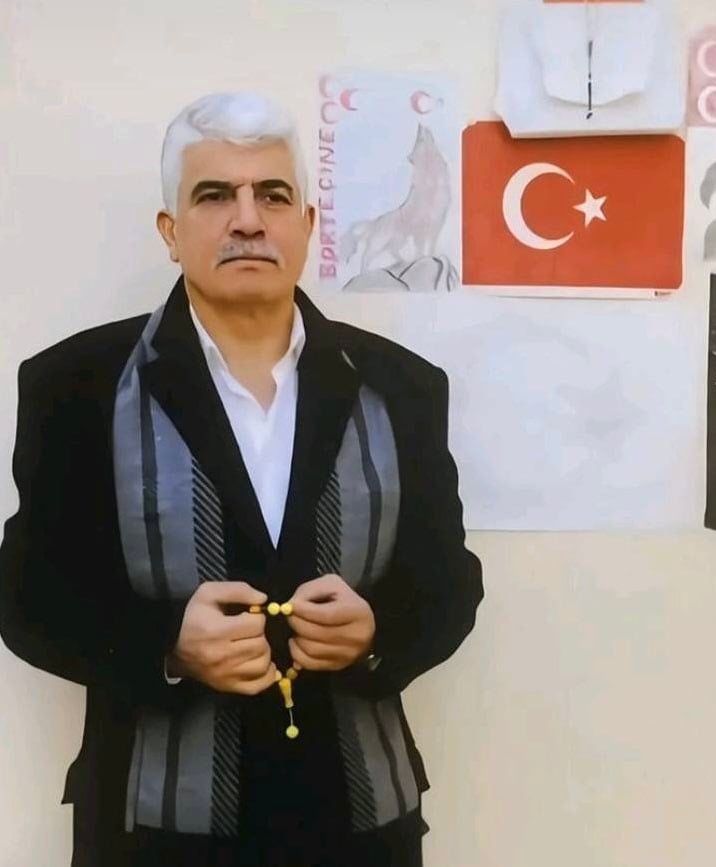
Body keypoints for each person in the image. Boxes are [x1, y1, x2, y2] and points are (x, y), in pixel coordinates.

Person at [0, 92, 483, 867]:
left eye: (273, 195)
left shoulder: (402, 386)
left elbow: (450, 583)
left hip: (359, 827)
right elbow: (26, 596)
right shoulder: (75, 384)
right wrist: (167, 644)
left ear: (307, 224)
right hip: (150, 835)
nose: (248, 219)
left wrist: (376, 633)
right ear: (171, 230)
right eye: (215, 194)